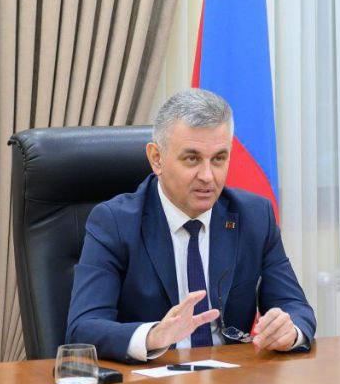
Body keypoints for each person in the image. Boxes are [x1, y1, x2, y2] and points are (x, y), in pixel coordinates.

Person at [66, 88, 316, 363]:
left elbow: (295, 307)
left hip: (234, 381)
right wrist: (154, 336)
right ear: (157, 158)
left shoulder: (254, 216)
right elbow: (83, 328)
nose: (207, 176)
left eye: (218, 159)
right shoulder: (114, 222)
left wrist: (289, 331)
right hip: (152, 381)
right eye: (192, 159)